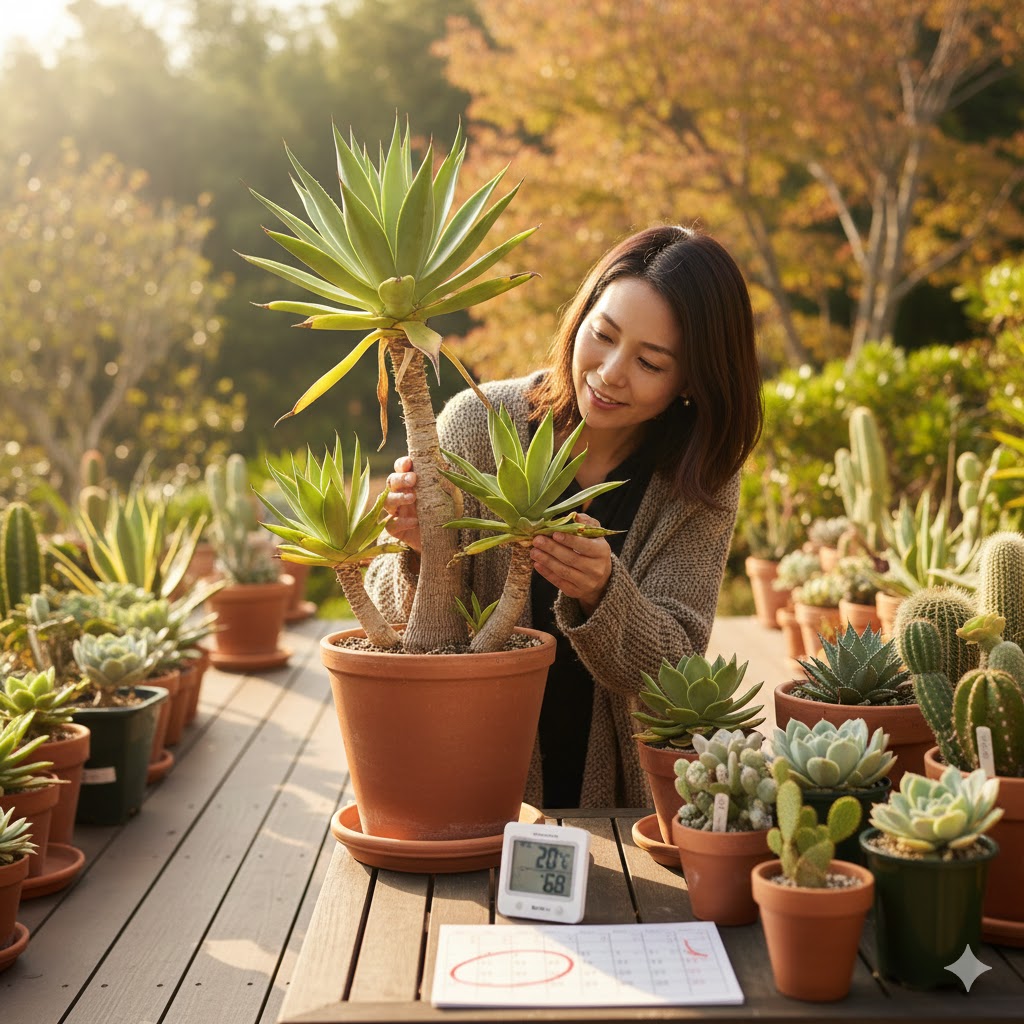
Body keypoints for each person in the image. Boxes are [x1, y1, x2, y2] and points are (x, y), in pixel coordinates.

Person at [365, 224, 763, 809]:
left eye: (651, 363)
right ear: (580, 320)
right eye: (602, 335)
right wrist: (418, 548)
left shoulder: (698, 481)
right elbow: (389, 620)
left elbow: (680, 666)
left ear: (691, 382)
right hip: (466, 770)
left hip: (620, 802)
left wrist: (604, 592)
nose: (609, 373)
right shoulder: (475, 424)